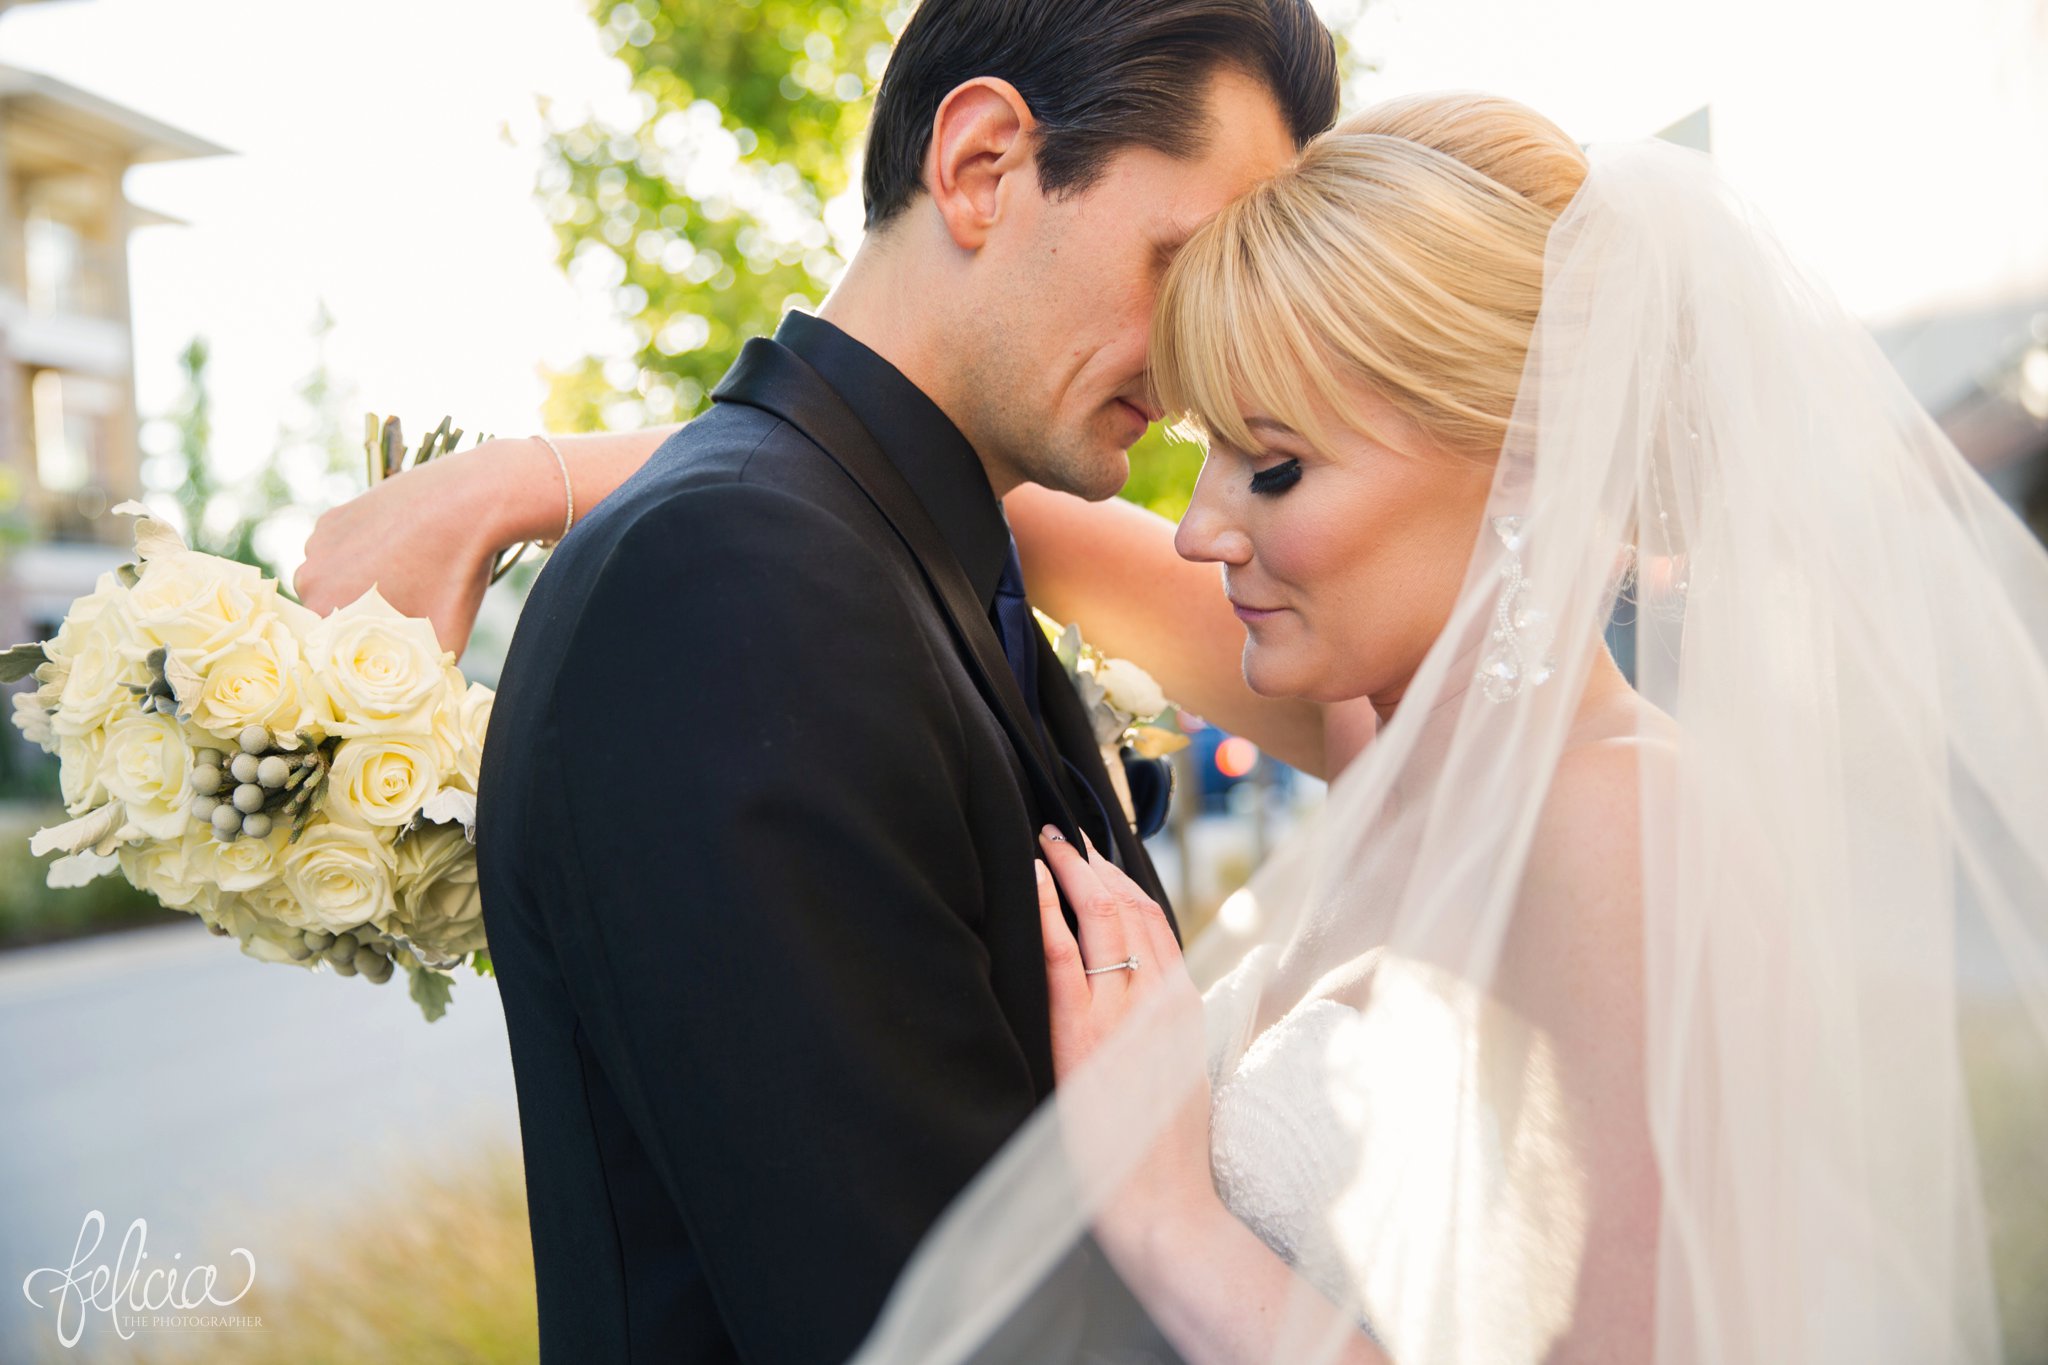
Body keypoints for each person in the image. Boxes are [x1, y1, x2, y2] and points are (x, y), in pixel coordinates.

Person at [308, 88, 2048, 1363]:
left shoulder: (1627, 832)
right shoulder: (1403, 728)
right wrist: (511, 484)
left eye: (1273, 465)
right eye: (1207, 444)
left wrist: (1168, 1215)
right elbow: (936, 493)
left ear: (1524, 461)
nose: (1204, 522)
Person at [296, 3, 1340, 1361]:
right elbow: (928, 1326)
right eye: (1181, 266)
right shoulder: (732, 583)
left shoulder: (906, 545)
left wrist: (532, 476)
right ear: (978, 164)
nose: (1205, 371)